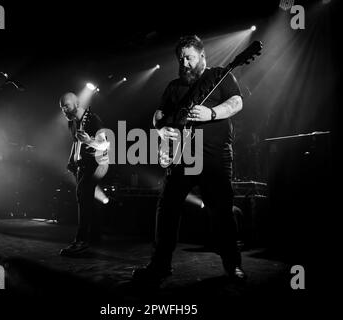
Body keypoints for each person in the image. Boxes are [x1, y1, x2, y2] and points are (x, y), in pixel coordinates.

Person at [132, 35, 246, 285]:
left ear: (202, 56)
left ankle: (232, 265)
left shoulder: (219, 76)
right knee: (167, 210)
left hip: (214, 156)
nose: (184, 63)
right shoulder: (173, 87)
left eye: (189, 57)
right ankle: (159, 265)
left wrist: (212, 112)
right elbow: (158, 115)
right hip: (181, 157)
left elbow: (237, 102)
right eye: (180, 58)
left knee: (221, 213)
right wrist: (160, 130)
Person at [58, 92, 109, 256]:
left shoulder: (93, 119)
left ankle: (81, 241)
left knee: (83, 194)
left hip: (98, 163)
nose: (64, 110)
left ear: (77, 103)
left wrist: (89, 141)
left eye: (66, 106)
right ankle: (95, 235)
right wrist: (70, 160)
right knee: (87, 198)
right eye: (61, 108)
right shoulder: (72, 123)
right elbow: (75, 142)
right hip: (82, 165)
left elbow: (104, 146)